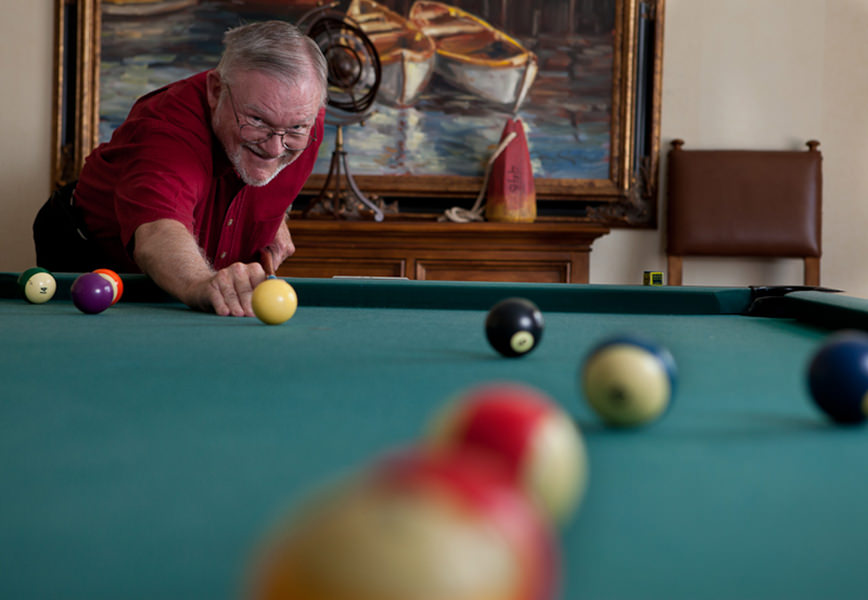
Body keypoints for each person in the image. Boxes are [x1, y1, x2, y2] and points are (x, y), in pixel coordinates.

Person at [33, 20, 328, 317]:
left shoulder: (304, 115)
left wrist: (280, 213)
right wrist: (201, 283)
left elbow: (276, 161)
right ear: (215, 91)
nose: (276, 147)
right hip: (94, 259)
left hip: (204, 274)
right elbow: (158, 231)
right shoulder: (167, 127)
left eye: (295, 128)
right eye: (257, 121)